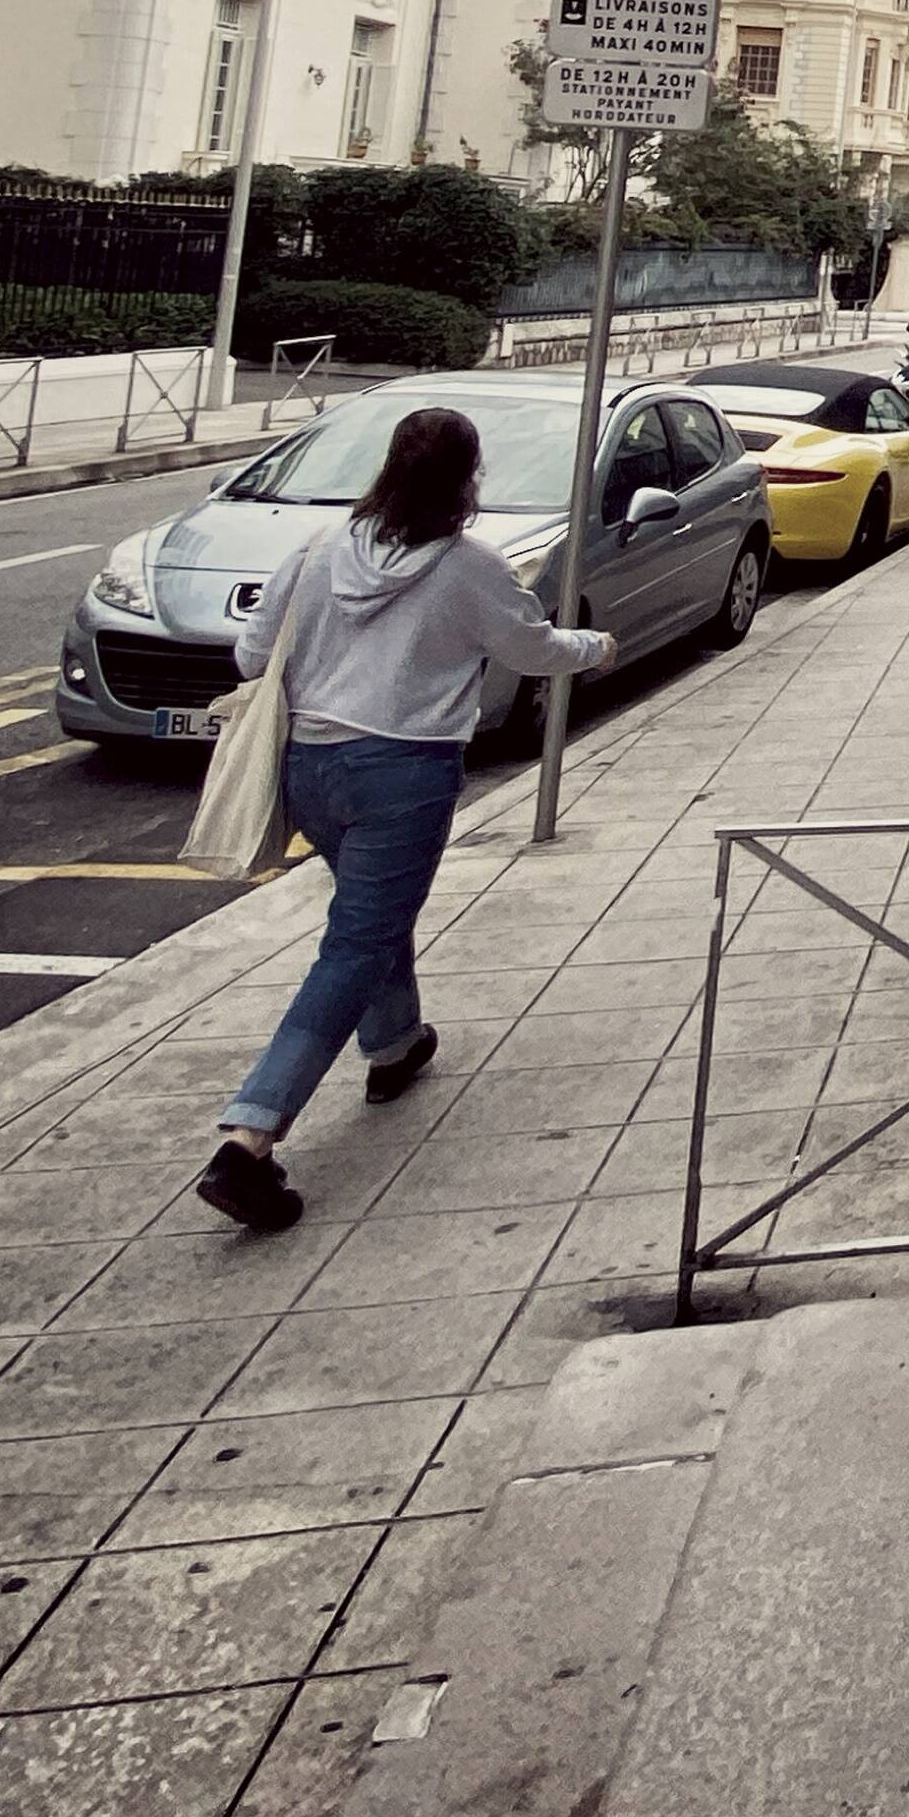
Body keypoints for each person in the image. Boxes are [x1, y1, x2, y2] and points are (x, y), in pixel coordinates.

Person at [197, 404, 608, 1232]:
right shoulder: (470, 568)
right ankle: (249, 1137)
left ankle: (393, 1047)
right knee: (357, 939)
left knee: (369, 917)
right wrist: (595, 647)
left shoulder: (318, 550)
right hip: (405, 773)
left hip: (309, 766)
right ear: (467, 480)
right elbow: (533, 652)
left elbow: (249, 656)